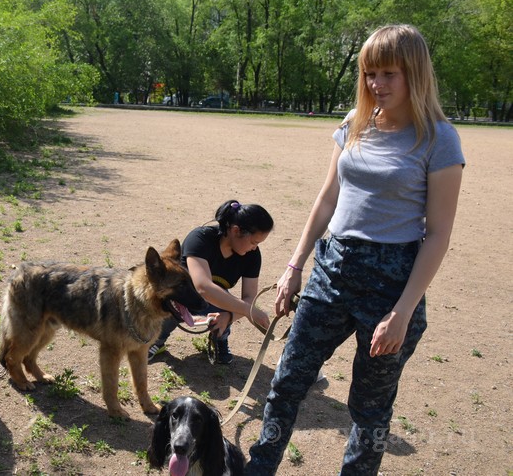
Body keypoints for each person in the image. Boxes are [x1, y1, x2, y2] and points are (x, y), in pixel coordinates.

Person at [246, 25, 465, 475]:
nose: (376, 84)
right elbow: (327, 199)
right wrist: (294, 266)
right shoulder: (354, 123)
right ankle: (259, 466)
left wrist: (402, 312)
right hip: (333, 268)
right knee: (287, 382)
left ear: (415, 74)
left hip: (392, 283)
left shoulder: (439, 139)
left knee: (371, 409)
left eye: (388, 73)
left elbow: (438, 234)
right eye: (369, 73)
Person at [148, 200, 273, 365]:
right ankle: (156, 340)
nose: (255, 248)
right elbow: (203, 287)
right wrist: (248, 311)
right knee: (171, 299)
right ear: (236, 231)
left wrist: (228, 316)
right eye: (253, 242)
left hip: (214, 300)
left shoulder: (252, 256)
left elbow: (249, 298)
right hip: (185, 294)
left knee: (229, 304)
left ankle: (220, 339)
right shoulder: (200, 239)